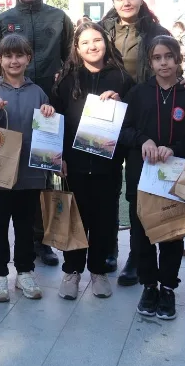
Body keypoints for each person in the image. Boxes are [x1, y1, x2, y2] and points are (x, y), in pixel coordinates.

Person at [0, 0, 72, 268]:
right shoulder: (5, 19)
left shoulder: (59, 18)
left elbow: (72, 56)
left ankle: (39, 240)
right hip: (8, 100)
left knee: (40, 174)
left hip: (46, 103)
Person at [119, 36, 185, 320]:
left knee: (172, 235)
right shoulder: (138, 93)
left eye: (169, 56)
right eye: (157, 58)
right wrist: (143, 140)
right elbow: (124, 129)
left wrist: (175, 148)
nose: (163, 62)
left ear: (178, 60)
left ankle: (168, 287)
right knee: (142, 235)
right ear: (150, 62)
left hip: (174, 177)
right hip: (141, 175)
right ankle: (149, 285)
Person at [50, 21, 134, 301]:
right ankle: (72, 272)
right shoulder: (66, 79)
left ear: (106, 42)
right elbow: (57, 119)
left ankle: (98, 271)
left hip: (107, 165)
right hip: (73, 164)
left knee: (103, 219)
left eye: (96, 40)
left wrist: (121, 103)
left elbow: (133, 119)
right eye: (85, 42)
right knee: (75, 217)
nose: (92, 46)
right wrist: (58, 156)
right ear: (76, 48)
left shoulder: (122, 78)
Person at [99, 0, 171, 284]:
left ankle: (136, 255)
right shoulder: (101, 30)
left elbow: (169, 64)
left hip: (143, 114)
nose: (126, 2)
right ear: (113, 1)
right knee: (108, 184)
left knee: (138, 189)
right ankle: (110, 246)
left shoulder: (156, 32)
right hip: (107, 110)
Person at [0, 34, 55, 302]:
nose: (14, 61)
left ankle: (25, 271)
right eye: (8, 56)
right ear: (0, 60)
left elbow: (48, 127)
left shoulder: (38, 92)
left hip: (29, 174)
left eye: (19, 55)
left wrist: (48, 113)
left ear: (28, 58)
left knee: (25, 225)